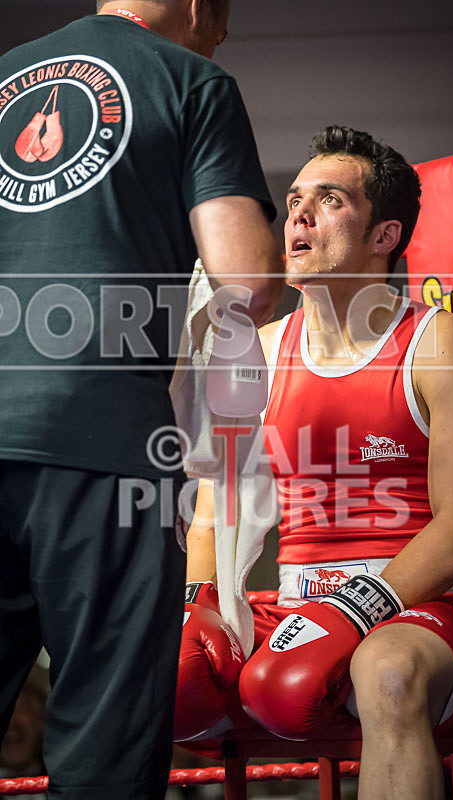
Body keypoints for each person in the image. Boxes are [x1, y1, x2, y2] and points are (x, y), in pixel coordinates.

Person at [0, 1, 282, 797]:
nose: (219, 37)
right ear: (199, 8)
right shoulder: (191, 80)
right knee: (105, 748)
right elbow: (248, 283)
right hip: (98, 444)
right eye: (220, 21)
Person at [176, 126, 453, 800]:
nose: (297, 214)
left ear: (383, 236)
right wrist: (197, 604)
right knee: (158, 670)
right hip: (294, 608)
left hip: (420, 608)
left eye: (328, 199)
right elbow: (214, 513)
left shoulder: (438, 340)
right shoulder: (258, 352)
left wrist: (356, 609)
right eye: (295, 198)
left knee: (385, 670)